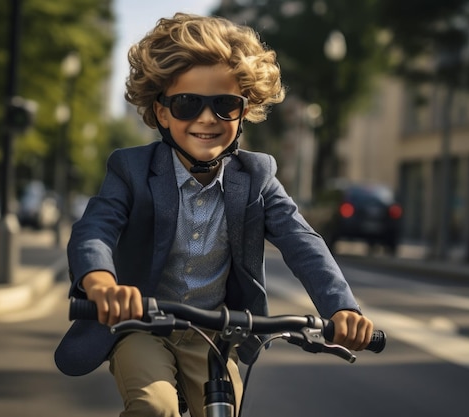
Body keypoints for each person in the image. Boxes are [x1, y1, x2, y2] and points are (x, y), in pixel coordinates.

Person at [55, 12, 374, 417]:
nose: (207, 118)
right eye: (188, 104)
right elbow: (95, 230)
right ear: (162, 112)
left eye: (225, 105)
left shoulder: (257, 177)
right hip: (141, 328)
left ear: (243, 112)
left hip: (213, 334)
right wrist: (102, 285)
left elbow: (303, 242)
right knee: (155, 408)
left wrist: (342, 308)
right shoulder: (131, 170)